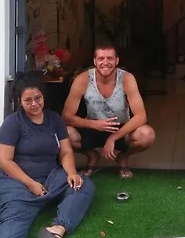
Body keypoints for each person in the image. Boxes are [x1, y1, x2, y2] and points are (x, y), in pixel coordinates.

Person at [0, 72, 95, 238]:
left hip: (50, 177)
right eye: (28, 100)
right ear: (19, 101)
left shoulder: (54, 119)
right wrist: (30, 184)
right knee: (15, 214)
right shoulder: (12, 123)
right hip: (17, 182)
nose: (34, 104)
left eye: (37, 98)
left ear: (43, 96)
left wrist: (72, 173)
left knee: (82, 185)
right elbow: (4, 160)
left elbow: (65, 151)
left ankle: (57, 229)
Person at [62, 44, 155, 179]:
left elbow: (141, 116)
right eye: (101, 59)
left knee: (147, 135)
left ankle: (123, 157)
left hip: (120, 128)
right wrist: (95, 124)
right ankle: (92, 155)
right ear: (95, 61)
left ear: (117, 61)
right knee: (64, 134)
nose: (105, 63)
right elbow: (66, 117)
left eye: (110, 58)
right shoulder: (83, 79)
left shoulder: (127, 78)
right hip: (92, 127)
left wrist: (113, 137)